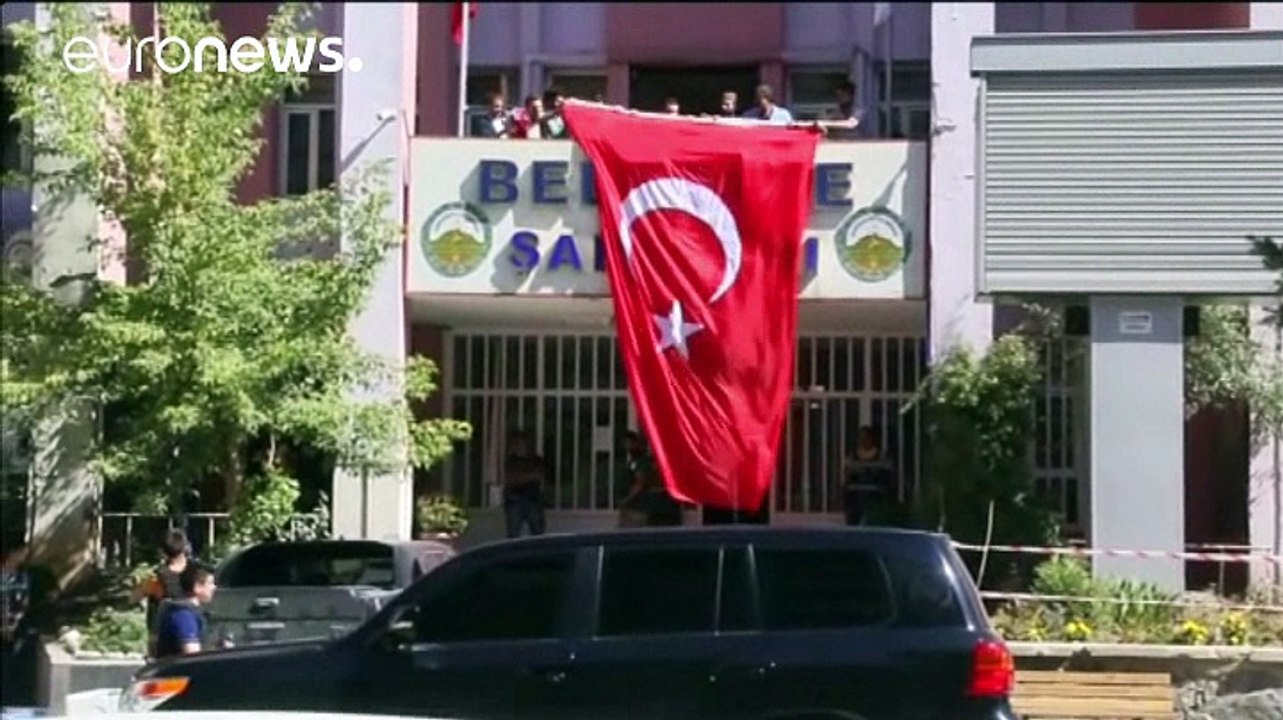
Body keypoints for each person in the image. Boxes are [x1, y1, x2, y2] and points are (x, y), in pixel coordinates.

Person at [134, 529, 189, 657]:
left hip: (163, 639)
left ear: (163, 552)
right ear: (185, 547)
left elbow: (134, 597)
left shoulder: (157, 578)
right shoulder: (198, 574)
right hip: (194, 635)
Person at [153, 564, 219, 660]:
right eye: (210, 583)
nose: (214, 587)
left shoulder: (174, 610)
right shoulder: (184, 616)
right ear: (197, 587)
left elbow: (153, 647)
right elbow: (193, 657)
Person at [618, 431, 682, 527]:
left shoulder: (641, 462)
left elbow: (640, 482)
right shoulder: (634, 461)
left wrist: (626, 499)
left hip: (642, 507)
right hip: (645, 507)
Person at [842, 426, 895, 526]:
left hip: (875, 493)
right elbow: (847, 470)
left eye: (866, 437)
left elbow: (887, 470)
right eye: (861, 438)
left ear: (872, 439)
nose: (863, 440)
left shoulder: (881, 455)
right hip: (856, 493)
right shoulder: (853, 454)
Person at [502, 431, 547, 538]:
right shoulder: (511, 461)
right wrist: (529, 476)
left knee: (538, 533)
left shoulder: (537, 460)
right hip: (515, 499)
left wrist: (521, 477)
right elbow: (510, 478)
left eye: (523, 443)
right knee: (513, 533)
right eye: (518, 443)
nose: (521, 446)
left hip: (533, 499)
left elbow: (539, 475)